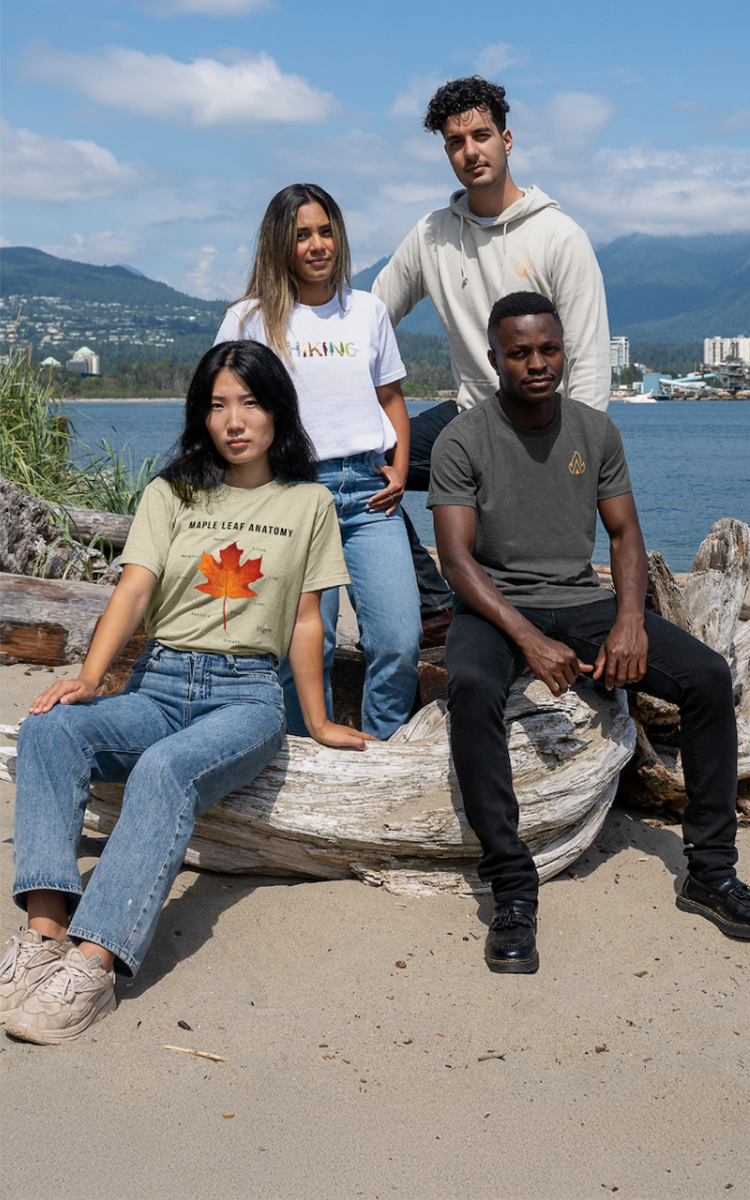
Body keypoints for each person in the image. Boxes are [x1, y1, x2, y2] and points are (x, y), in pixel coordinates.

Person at [1, 339, 373, 1044]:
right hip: (160, 683)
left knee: (165, 770)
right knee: (50, 730)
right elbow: (133, 588)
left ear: (277, 411)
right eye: (217, 405)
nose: (234, 420)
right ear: (201, 417)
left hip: (246, 698)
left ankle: (93, 961)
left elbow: (304, 620)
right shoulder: (171, 492)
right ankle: (44, 936)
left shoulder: (308, 502)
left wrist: (318, 721)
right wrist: (87, 678)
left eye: (250, 402)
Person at [428, 291, 749, 974]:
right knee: (475, 686)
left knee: (707, 677)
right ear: (495, 359)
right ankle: (513, 890)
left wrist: (630, 620)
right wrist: (527, 640)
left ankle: (711, 872)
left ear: (564, 352)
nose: (537, 363)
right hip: (494, 605)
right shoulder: (464, 439)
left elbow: (626, 532)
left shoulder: (596, 432)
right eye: (520, 353)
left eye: (548, 350)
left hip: (581, 600)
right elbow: (456, 559)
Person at [373, 75, 612, 626]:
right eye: (456, 142)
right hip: (469, 418)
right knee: (353, 464)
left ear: (507, 139)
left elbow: (589, 361)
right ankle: (432, 603)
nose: (469, 151)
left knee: (530, 563)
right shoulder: (432, 234)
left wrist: (581, 462)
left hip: (543, 426)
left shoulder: (559, 236)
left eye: (481, 135)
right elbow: (372, 316)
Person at [215, 184, 421, 740]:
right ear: (280, 244)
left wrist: (400, 468)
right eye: (302, 234)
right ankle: (306, 755)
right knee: (305, 646)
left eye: (325, 231)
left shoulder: (368, 311)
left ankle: (384, 754)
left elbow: (391, 400)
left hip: (369, 492)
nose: (316, 244)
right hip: (294, 494)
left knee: (399, 642)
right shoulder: (248, 319)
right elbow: (223, 407)